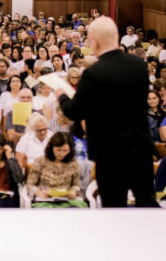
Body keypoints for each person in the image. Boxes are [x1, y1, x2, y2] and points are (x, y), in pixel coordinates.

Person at [56, 17, 155, 207]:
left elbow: (74, 111)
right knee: (147, 205)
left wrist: (61, 94)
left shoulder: (94, 73)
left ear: (94, 42)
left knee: (114, 208)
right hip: (140, 148)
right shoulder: (139, 65)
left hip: (109, 154)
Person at [26, 132, 86, 208]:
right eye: (58, 150)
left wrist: (73, 191)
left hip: (67, 200)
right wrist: (38, 192)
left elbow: (75, 185)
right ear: (51, 148)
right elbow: (30, 184)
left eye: (65, 150)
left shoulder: (73, 163)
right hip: (45, 200)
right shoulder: (41, 161)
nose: (61, 154)